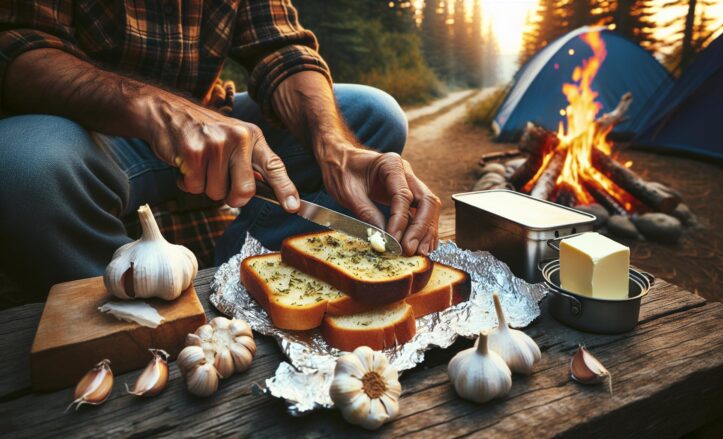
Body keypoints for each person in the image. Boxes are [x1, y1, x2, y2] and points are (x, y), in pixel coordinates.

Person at [0, 1, 441, 297]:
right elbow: (18, 44)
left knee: (373, 113)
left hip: (214, 118)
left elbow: (282, 49)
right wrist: (157, 108)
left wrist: (337, 148)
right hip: (86, 135)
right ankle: (137, 313)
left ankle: (234, 276)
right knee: (24, 167)